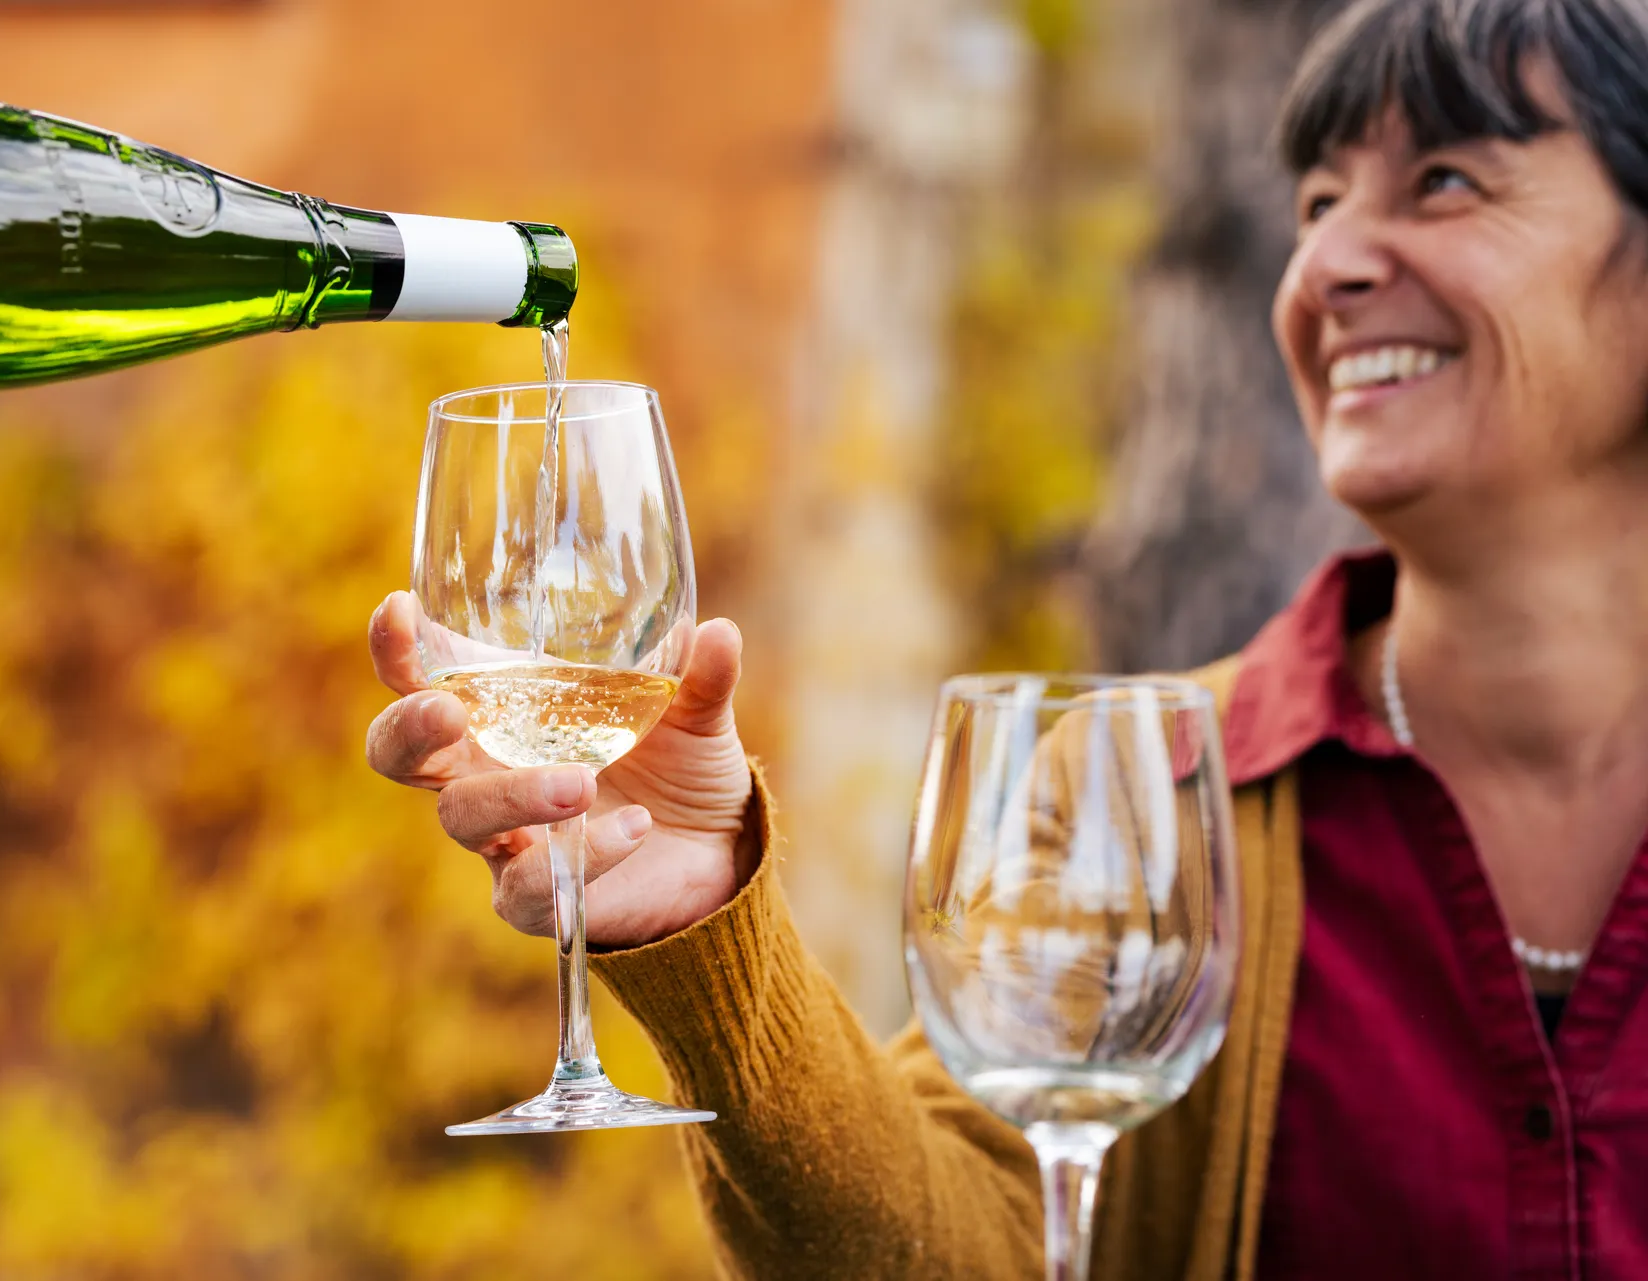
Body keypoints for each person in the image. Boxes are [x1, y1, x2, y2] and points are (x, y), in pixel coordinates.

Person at [365, 0, 1648, 1274]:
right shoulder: (1148, 797)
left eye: (1444, 181)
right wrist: (706, 910)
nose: (1326, 268)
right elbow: (952, 1246)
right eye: (1315, 205)